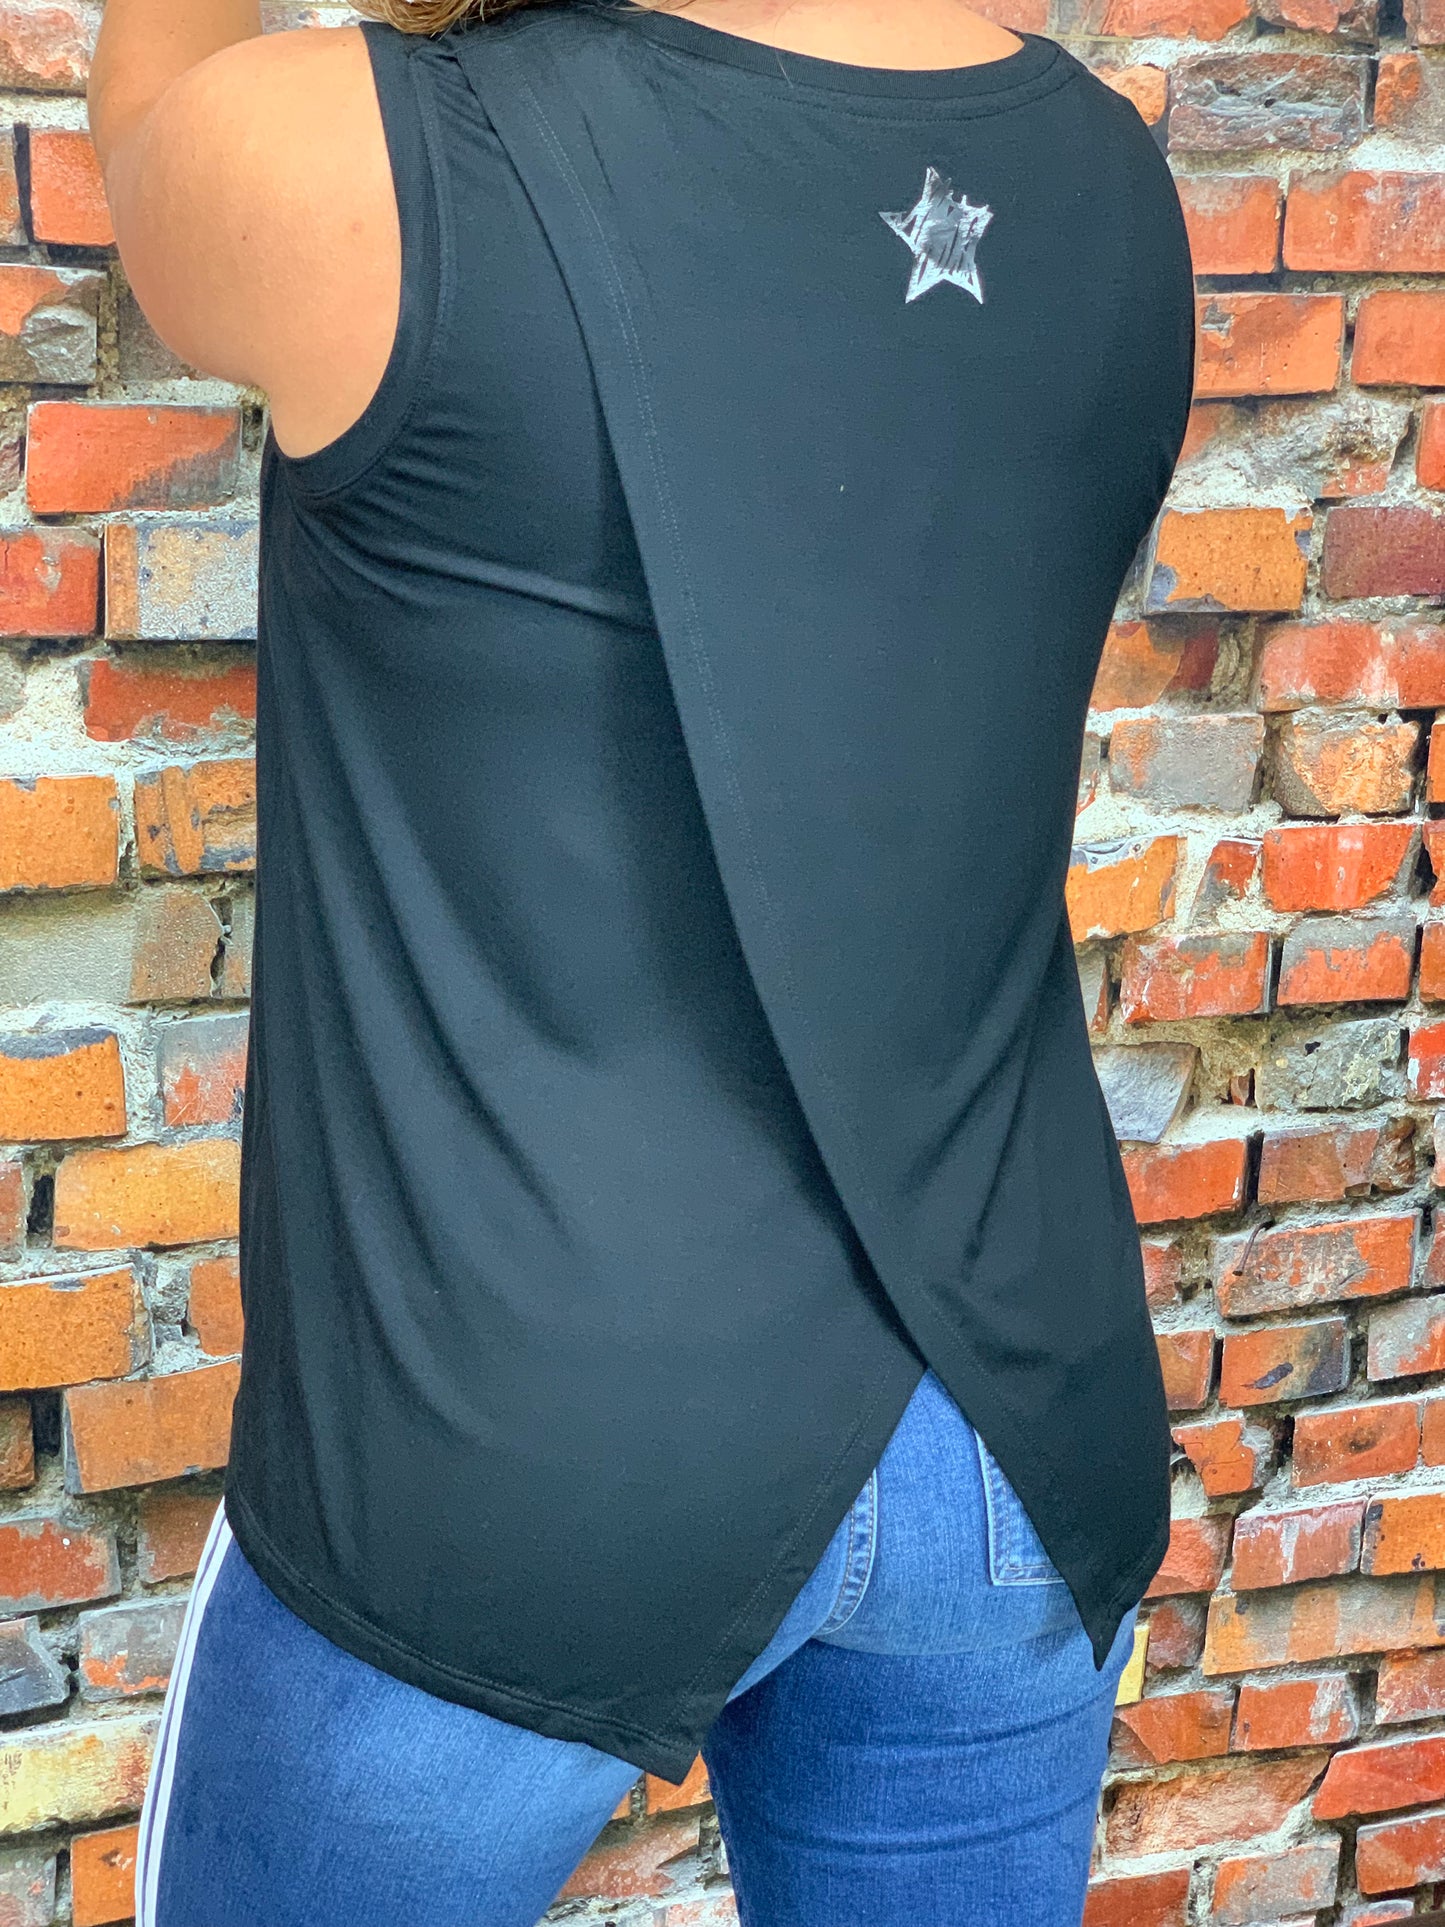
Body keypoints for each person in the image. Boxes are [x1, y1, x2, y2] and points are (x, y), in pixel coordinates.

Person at [87, 0, 1197, 1921]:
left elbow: (146, 134)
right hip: (1008, 1431)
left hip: (512, 1462)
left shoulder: (373, 159)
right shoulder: (1112, 186)